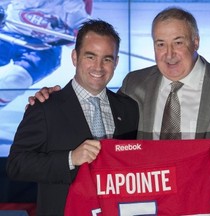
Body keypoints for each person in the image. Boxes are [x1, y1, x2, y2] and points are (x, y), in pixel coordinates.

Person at [28, 7, 210, 216]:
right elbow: (104, 116)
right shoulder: (135, 84)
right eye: (160, 44)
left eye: (178, 42)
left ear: (196, 42)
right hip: (152, 208)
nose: (169, 54)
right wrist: (54, 97)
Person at [6, 19, 139, 216]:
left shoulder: (129, 108)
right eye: (90, 56)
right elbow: (16, 165)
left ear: (116, 62)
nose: (98, 67)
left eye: (107, 59)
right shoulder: (45, 107)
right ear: (75, 57)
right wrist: (70, 159)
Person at [0, 0, 92, 107]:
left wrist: (78, 36)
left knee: (14, 80)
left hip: (44, 48)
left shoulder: (74, 4)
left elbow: (84, 35)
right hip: (9, 33)